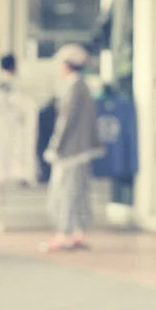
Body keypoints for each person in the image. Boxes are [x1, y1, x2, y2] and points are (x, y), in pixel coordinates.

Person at [40, 44, 102, 252]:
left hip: (71, 152)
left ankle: (64, 234)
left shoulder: (75, 88)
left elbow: (66, 122)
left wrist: (55, 147)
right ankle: (77, 233)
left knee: (66, 192)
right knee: (78, 192)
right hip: (81, 151)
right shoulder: (82, 87)